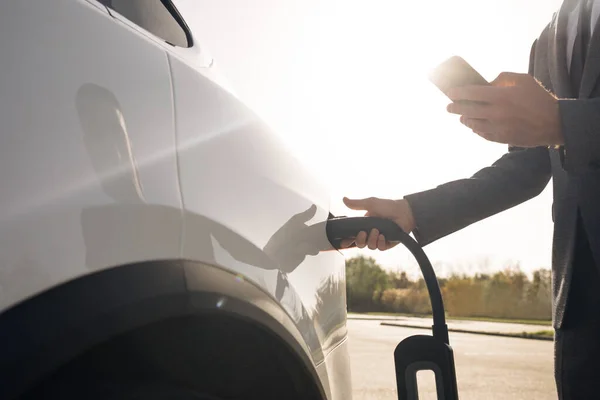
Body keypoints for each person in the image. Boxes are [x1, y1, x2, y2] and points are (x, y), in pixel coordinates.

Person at [341, 0, 600, 398]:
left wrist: (564, 122)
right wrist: (412, 211)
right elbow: (525, 170)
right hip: (579, 305)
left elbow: (560, 124)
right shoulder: (551, 36)